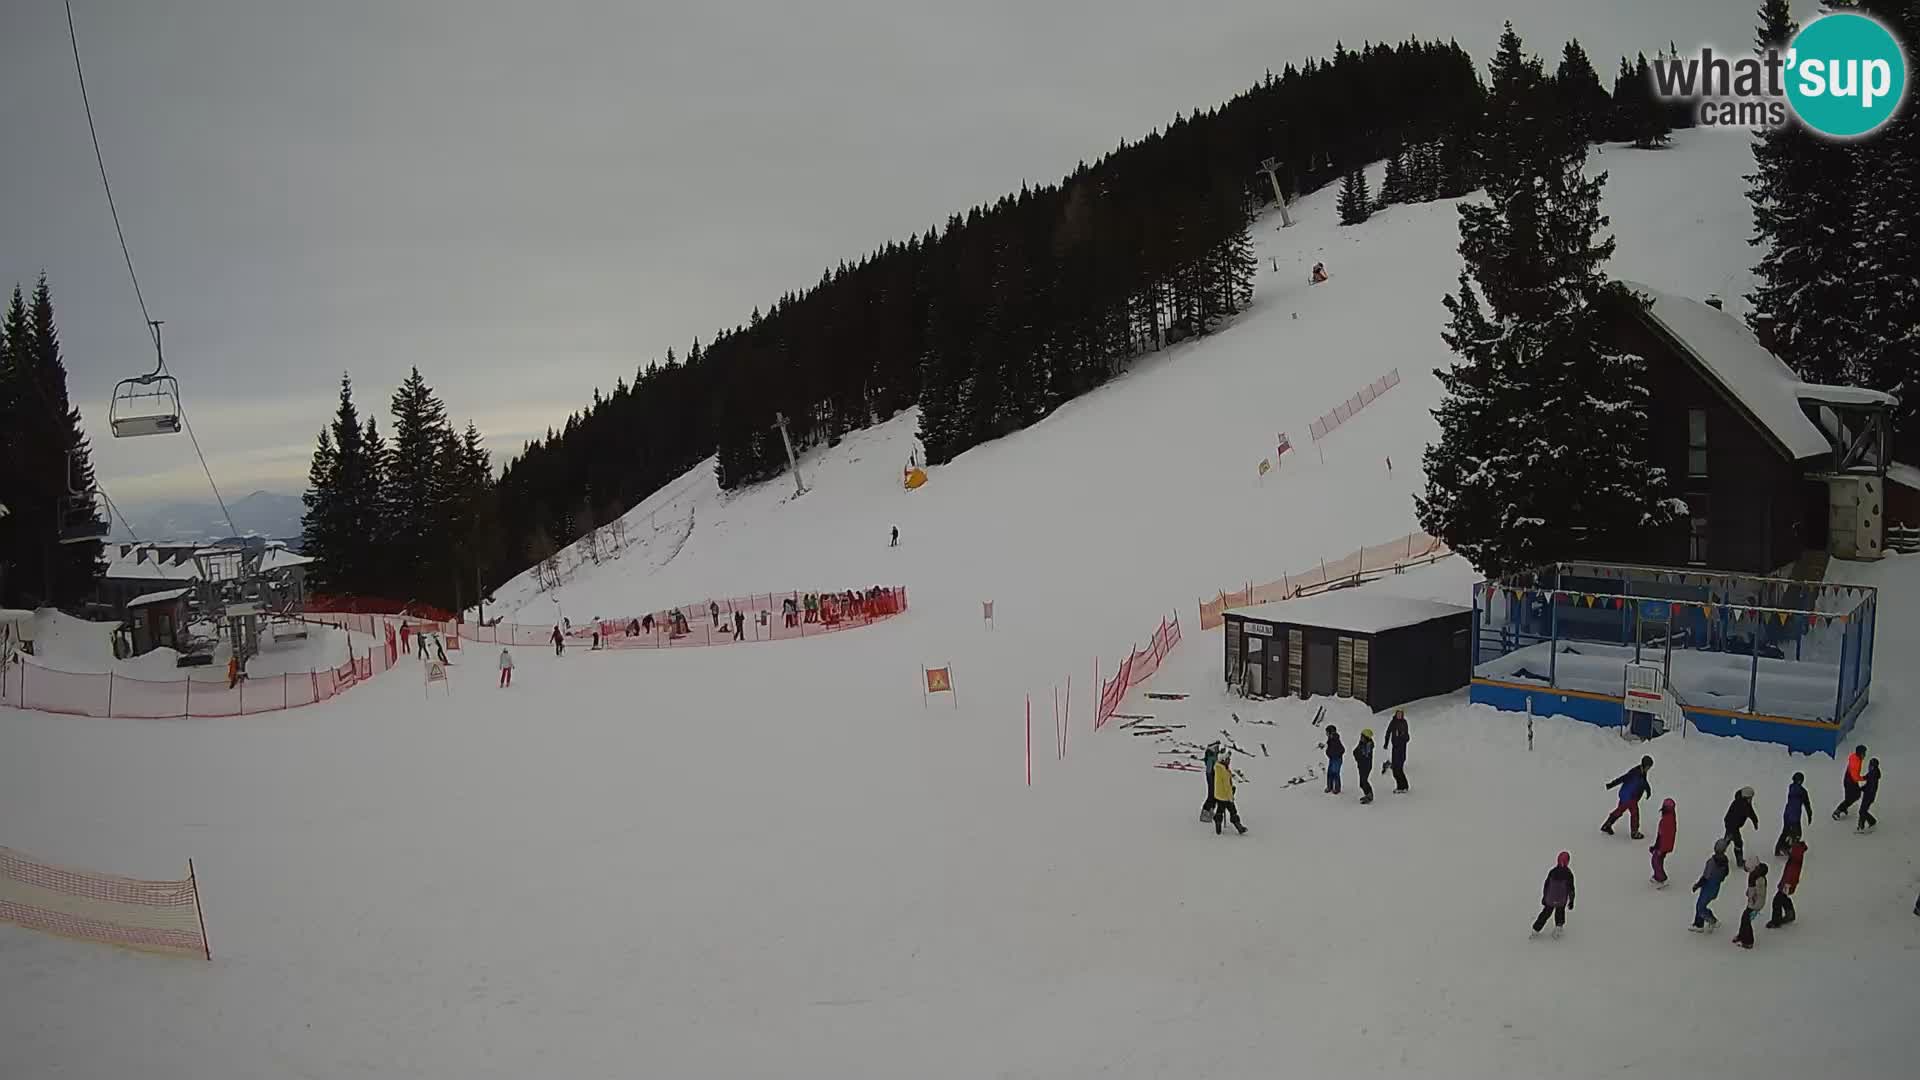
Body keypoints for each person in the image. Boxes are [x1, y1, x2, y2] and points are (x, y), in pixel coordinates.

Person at [1603, 755, 1655, 838]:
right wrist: (1611, 784)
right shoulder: (1634, 772)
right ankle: (1634, 833)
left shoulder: (1642, 772)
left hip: (1627, 796)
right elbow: (1623, 778)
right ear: (1645, 765)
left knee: (1619, 810)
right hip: (1629, 797)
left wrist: (1648, 790)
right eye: (1648, 767)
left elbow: (1644, 782)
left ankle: (1607, 825)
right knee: (1635, 814)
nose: (1649, 769)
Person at [1690, 838, 1731, 931]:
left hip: (1708, 887)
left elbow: (1705, 877)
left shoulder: (1711, 863)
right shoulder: (1725, 862)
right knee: (1701, 904)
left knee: (1700, 906)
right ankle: (1698, 923)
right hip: (1715, 887)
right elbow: (1726, 873)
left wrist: (1697, 885)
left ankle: (1711, 921)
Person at [1531, 852, 1575, 937]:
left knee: (1545, 913)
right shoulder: (1569, 874)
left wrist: (1544, 897)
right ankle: (1558, 930)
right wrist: (1571, 901)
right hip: (1561, 901)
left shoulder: (1553, 872)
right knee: (1560, 913)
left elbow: (1546, 885)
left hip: (1550, 899)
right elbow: (1571, 889)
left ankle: (1536, 929)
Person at [1767, 839, 1807, 928]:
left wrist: (1786, 884)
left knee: (1777, 900)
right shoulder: (1796, 857)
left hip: (1788, 883)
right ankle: (1790, 913)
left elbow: (1791, 874)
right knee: (1783, 897)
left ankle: (1776, 921)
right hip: (1788, 882)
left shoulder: (1795, 859)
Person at [1733, 862, 1770, 949]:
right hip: (1752, 903)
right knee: (1744, 917)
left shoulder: (1759, 880)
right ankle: (1742, 935)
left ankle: (1748, 941)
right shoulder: (1755, 877)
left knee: (1746, 920)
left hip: (1755, 905)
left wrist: (1751, 895)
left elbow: (1757, 893)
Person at [1776, 772, 1813, 857]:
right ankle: (1788, 848)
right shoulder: (1802, 791)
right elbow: (1807, 804)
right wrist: (1809, 815)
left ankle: (1778, 849)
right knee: (1797, 834)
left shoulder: (1791, 787)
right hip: (1795, 816)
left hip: (1787, 813)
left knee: (1785, 831)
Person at [1722, 787, 1758, 869]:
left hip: (1732, 825)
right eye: (1750, 798)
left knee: (1728, 839)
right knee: (1738, 843)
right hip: (1732, 825)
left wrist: (1755, 821)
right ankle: (1739, 861)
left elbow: (1750, 811)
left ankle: (1721, 849)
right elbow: (1748, 811)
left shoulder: (1745, 803)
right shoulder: (1741, 805)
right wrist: (1732, 831)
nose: (1751, 800)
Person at [1211, 750, 1246, 835]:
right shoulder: (1223, 771)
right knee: (1233, 810)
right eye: (1228, 759)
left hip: (1219, 794)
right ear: (1223, 760)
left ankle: (1218, 825)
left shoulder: (1218, 768)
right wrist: (1230, 796)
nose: (1229, 761)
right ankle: (1239, 827)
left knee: (1220, 810)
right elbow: (1226, 785)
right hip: (1225, 795)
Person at [1834, 744, 1868, 819]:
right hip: (1850, 781)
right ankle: (1838, 811)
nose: (1865, 755)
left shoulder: (1856, 757)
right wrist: (1864, 778)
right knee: (1853, 797)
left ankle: (1843, 808)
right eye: (1864, 753)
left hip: (1849, 779)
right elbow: (1855, 777)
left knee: (1853, 796)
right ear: (1860, 753)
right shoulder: (1855, 763)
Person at [1650, 798, 1678, 887]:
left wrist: (1659, 848)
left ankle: (1662, 878)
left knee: (1655, 860)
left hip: (1664, 845)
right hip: (1663, 844)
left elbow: (1665, 836)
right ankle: (1658, 876)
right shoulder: (1669, 816)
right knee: (1658, 860)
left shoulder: (1668, 820)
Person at [1383, 708, 1410, 793]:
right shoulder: (1393, 722)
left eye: (1400, 714)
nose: (1399, 715)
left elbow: (1407, 737)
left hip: (1401, 749)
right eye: (1398, 713)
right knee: (1395, 769)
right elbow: (1388, 732)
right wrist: (1386, 743)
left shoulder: (1404, 723)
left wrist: (1402, 735)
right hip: (1395, 748)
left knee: (1398, 769)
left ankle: (1402, 786)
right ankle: (1403, 786)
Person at [1856, 758, 1882, 832]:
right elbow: (1865, 778)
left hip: (1869, 796)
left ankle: (1861, 826)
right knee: (1863, 810)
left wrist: (1864, 789)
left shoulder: (1874, 775)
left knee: (1862, 811)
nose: (1869, 766)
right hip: (1868, 795)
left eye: (1871, 765)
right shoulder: (1872, 773)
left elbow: (1871, 787)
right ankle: (1872, 821)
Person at [1200, 741, 1222, 822]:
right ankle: (1205, 812)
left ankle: (1211, 810)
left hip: (1214, 776)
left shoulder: (1214, 755)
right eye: (1216, 747)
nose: (1218, 749)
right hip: (1211, 777)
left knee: (1215, 794)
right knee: (1211, 795)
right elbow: (1210, 769)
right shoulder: (1210, 756)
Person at [1354, 728, 1377, 804]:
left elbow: (1364, 755)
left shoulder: (1368, 745)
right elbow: (1356, 751)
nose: (1361, 738)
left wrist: (1359, 756)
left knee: (1364, 781)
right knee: (1361, 783)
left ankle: (1369, 794)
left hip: (1366, 766)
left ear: (1367, 738)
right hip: (1361, 765)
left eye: (1363, 737)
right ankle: (1367, 794)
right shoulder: (1361, 743)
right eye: (1361, 736)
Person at [1323, 724, 1345, 795]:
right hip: (1332, 759)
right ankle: (1329, 787)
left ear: (1331, 732)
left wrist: (1336, 755)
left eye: (1327, 732)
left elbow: (1342, 749)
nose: (1326, 734)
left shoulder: (1335, 739)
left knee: (1335, 773)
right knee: (1330, 773)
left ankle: (1337, 788)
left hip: (1337, 759)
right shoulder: (1331, 739)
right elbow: (1329, 748)